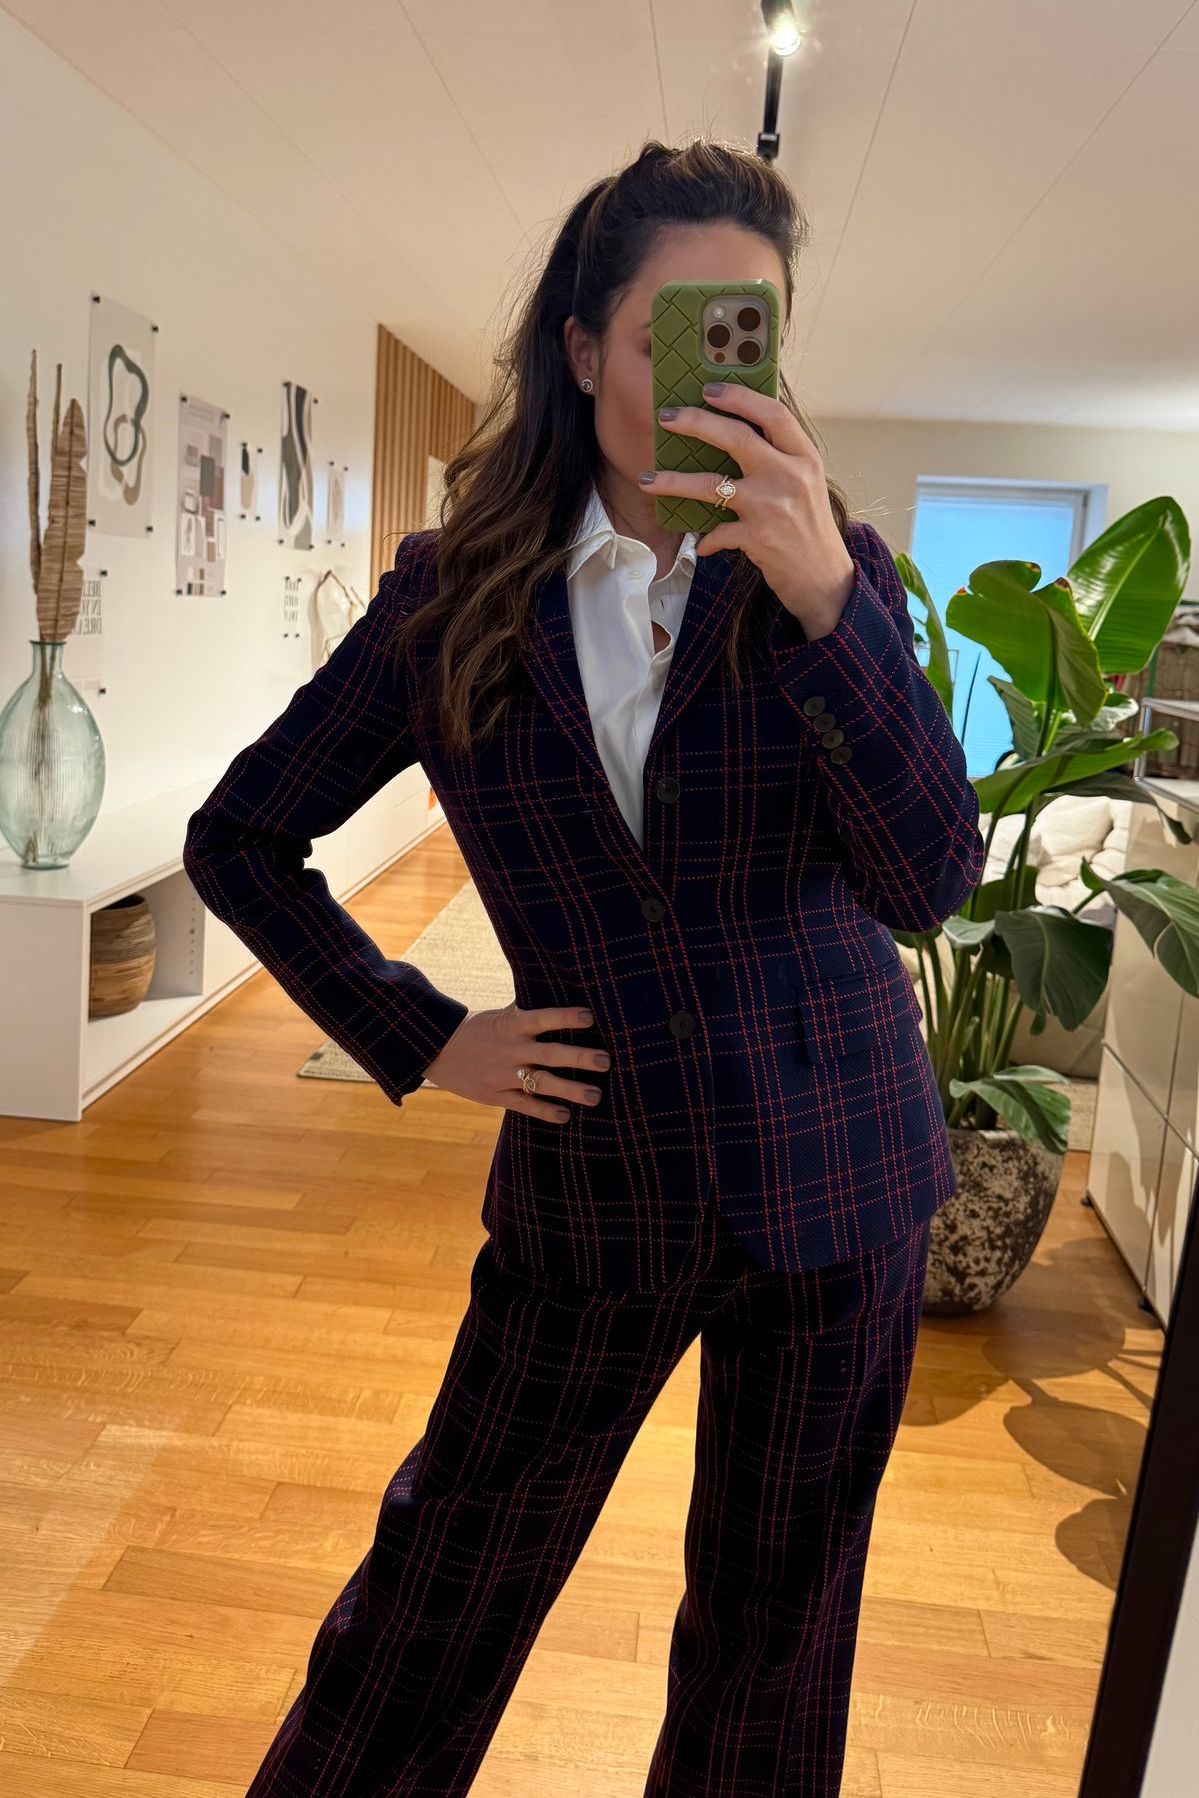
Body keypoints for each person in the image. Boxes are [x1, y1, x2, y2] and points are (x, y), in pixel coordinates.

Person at [183, 137, 985, 1797]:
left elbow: (928, 878)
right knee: (432, 1602)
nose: (720, 373)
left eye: (753, 332)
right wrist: (423, 1033)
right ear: (583, 347)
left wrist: (829, 603)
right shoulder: (453, 599)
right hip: (591, 1180)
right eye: (678, 331)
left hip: (837, 1181)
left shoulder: (829, 575)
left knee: (773, 1650)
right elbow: (240, 835)